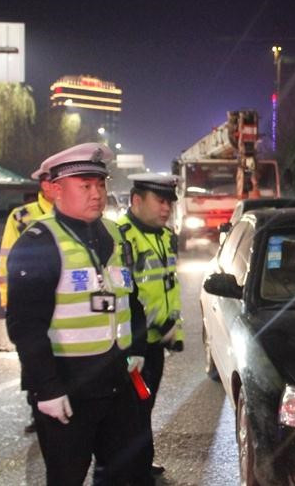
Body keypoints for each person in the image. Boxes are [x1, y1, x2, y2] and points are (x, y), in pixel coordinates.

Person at [5, 143, 147, 485]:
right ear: (54, 189)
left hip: (118, 381)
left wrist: (137, 347)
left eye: (100, 185)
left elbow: (131, 297)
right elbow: (25, 325)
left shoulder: (115, 234)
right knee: (67, 476)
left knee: (126, 474)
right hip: (68, 387)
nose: (96, 194)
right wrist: (47, 389)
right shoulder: (39, 242)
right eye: (85, 186)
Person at [117, 173, 183, 478]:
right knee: (131, 412)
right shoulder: (120, 237)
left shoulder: (166, 237)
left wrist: (174, 333)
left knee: (144, 407)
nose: (166, 208)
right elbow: (122, 298)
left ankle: (141, 464)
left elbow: (170, 289)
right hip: (131, 346)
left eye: (169, 201)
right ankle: (131, 471)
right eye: (160, 201)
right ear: (136, 200)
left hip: (155, 344)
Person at [0, 164, 55, 434]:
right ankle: (38, 409)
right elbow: (7, 261)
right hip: (31, 301)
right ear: (45, 185)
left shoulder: (77, 214)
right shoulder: (22, 217)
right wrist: (9, 302)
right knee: (34, 359)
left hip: (66, 303)